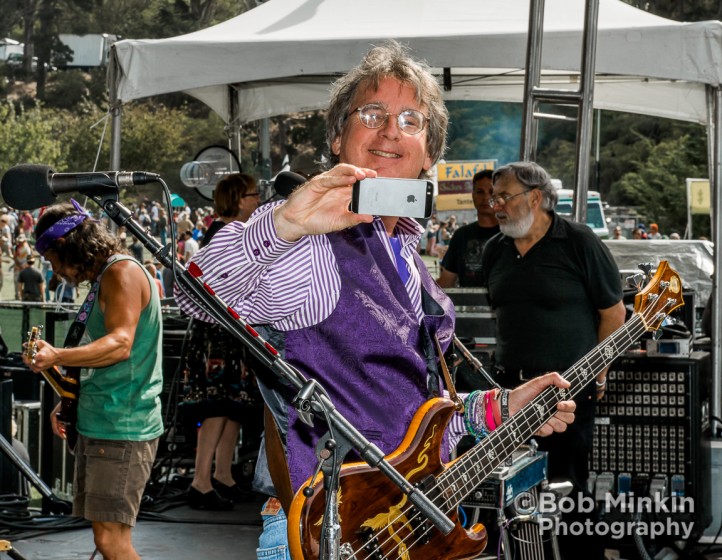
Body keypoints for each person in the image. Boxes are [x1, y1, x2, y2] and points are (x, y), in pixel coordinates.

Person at [175, 41, 576, 559]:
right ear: (339, 135)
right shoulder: (310, 244)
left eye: (411, 119)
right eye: (373, 114)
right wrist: (283, 224)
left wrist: (497, 409)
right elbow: (196, 293)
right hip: (329, 534)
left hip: (408, 530)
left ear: (429, 151)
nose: (391, 130)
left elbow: (413, 418)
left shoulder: (408, 258)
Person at [481, 161, 626, 560]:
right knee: (512, 494)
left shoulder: (579, 241)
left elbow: (614, 314)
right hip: (509, 393)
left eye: (503, 196)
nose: (496, 205)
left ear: (535, 197)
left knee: (567, 490)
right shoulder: (495, 251)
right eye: (494, 197)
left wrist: (598, 372)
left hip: (568, 392)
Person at [24, 200, 163, 560]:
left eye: (55, 261)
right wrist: (70, 396)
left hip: (122, 426)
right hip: (103, 419)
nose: (56, 272)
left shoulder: (122, 274)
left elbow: (119, 345)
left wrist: (56, 355)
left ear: (69, 246)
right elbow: (104, 354)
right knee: (106, 539)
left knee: (111, 542)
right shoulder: (107, 276)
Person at [181, 173, 261, 510]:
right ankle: (201, 481)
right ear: (240, 200)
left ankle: (222, 474)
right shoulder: (224, 237)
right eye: (254, 195)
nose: (259, 200)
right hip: (217, 335)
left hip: (228, 334)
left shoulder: (228, 234)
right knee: (216, 407)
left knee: (232, 408)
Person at [437, 169, 500, 287]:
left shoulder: (511, 234)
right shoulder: (461, 235)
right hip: (468, 304)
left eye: (491, 192)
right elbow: (446, 282)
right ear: (473, 195)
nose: (486, 197)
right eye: (480, 192)